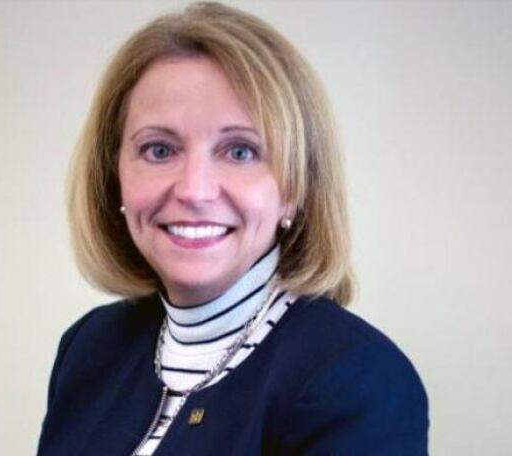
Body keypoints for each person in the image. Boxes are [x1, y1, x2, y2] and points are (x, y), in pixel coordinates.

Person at [37, 2, 429, 455]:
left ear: (294, 186)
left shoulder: (358, 380)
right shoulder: (89, 348)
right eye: (160, 150)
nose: (195, 190)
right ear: (114, 175)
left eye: (240, 151)